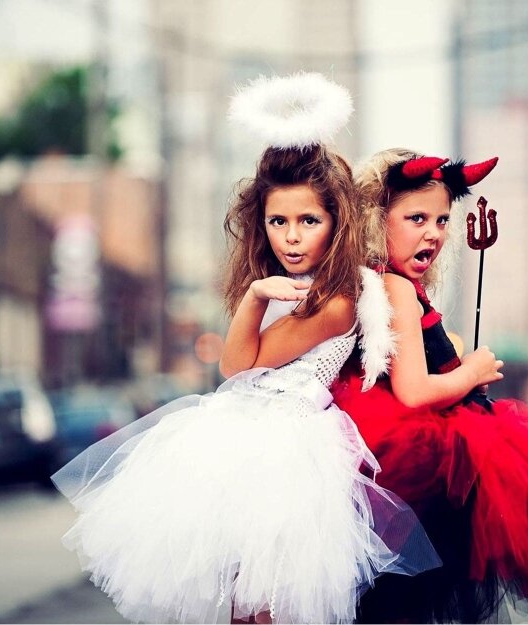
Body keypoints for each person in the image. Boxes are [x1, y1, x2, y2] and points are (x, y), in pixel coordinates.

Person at [51, 78, 439, 625]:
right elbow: (236, 367)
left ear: (337, 224)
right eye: (278, 221)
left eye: (309, 220)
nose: (291, 237)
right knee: (238, 600)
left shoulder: (338, 301)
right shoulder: (286, 285)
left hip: (291, 449)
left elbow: (238, 363)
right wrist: (258, 294)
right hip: (239, 438)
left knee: (270, 603)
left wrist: (255, 298)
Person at [331, 148, 528, 623]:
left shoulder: (388, 285)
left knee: (400, 596)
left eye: (441, 220)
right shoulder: (395, 288)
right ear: (375, 219)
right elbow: (413, 392)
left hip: (407, 459)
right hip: (418, 460)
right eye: (416, 218)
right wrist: (472, 371)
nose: (433, 232)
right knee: (403, 597)